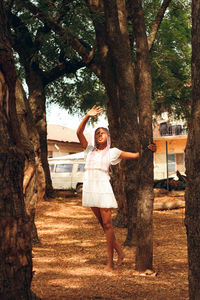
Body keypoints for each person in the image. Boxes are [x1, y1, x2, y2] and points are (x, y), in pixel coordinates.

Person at [76, 105, 156, 272]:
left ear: (108, 136)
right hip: (90, 188)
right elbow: (78, 133)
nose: (99, 135)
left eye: (102, 133)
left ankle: (110, 263)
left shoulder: (113, 152)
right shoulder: (89, 150)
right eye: (97, 133)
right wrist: (87, 116)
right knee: (103, 226)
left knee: (108, 225)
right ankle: (120, 253)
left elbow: (135, 156)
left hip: (103, 189)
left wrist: (150, 150)